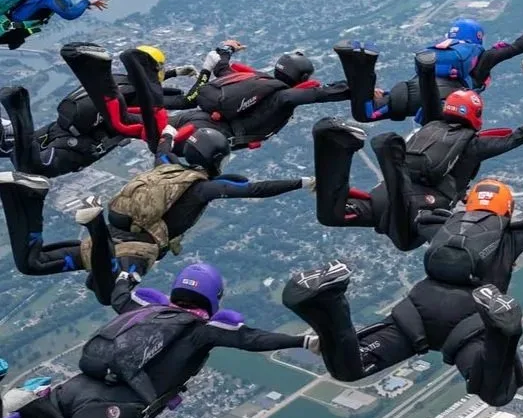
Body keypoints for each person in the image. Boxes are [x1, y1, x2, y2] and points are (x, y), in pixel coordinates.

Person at [284, 179, 523, 406]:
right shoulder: (511, 233)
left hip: (416, 313)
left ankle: (326, 305)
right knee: (497, 392)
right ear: (506, 210)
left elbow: (404, 214)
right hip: (469, 323)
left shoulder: (444, 224)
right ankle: (504, 329)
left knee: (349, 367)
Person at [11, 263, 307, 418]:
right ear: (214, 297)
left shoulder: (143, 310)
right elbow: (253, 339)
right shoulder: (201, 331)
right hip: (108, 411)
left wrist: (129, 273)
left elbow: (119, 292)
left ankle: (33, 404)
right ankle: (39, 415)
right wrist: (305, 340)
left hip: (73, 387)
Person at [0, 126, 310, 294]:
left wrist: (170, 132)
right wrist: (302, 181)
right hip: (133, 251)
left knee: (32, 262)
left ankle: (29, 195)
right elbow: (254, 189)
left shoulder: (166, 168)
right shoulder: (202, 188)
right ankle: (89, 221)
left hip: (111, 240)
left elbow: (163, 148)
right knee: (108, 293)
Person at [312, 85, 523, 250]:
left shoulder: (430, 126)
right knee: (406, 241)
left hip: (381, 197)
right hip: (420, 203)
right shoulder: (473, 144)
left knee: (332, 215)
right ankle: (389, 155)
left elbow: (429, 90)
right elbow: (517, 137)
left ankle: (334, 147)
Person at [0, 42, 193, 178]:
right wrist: (206, 73)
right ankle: (17, 108)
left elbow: (146, 80)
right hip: (80, 146)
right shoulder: (141, 96)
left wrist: (173, 73)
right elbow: (183, 101)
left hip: (59, 127)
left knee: (15, 149)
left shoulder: (120, 79)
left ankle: (10, 133)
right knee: (32, 169)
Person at [120, 47, 349, 151]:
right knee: (163, 149)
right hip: (213, 136)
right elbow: (317, 94)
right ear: (303, 78)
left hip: (198, 116)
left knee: (134, 123)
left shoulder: (252, 80)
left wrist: (226, 49)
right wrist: (356, 89)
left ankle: (104, 108)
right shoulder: (281, 96)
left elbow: (222, 67)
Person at [334, 21, 523, 123]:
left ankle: (363, 64)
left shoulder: (437, 51)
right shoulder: (482, 57)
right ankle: (366, 66)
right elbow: (516, 47)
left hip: (407, 92)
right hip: (442, 103)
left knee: (365, 113)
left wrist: (383, 94)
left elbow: (420, 79)